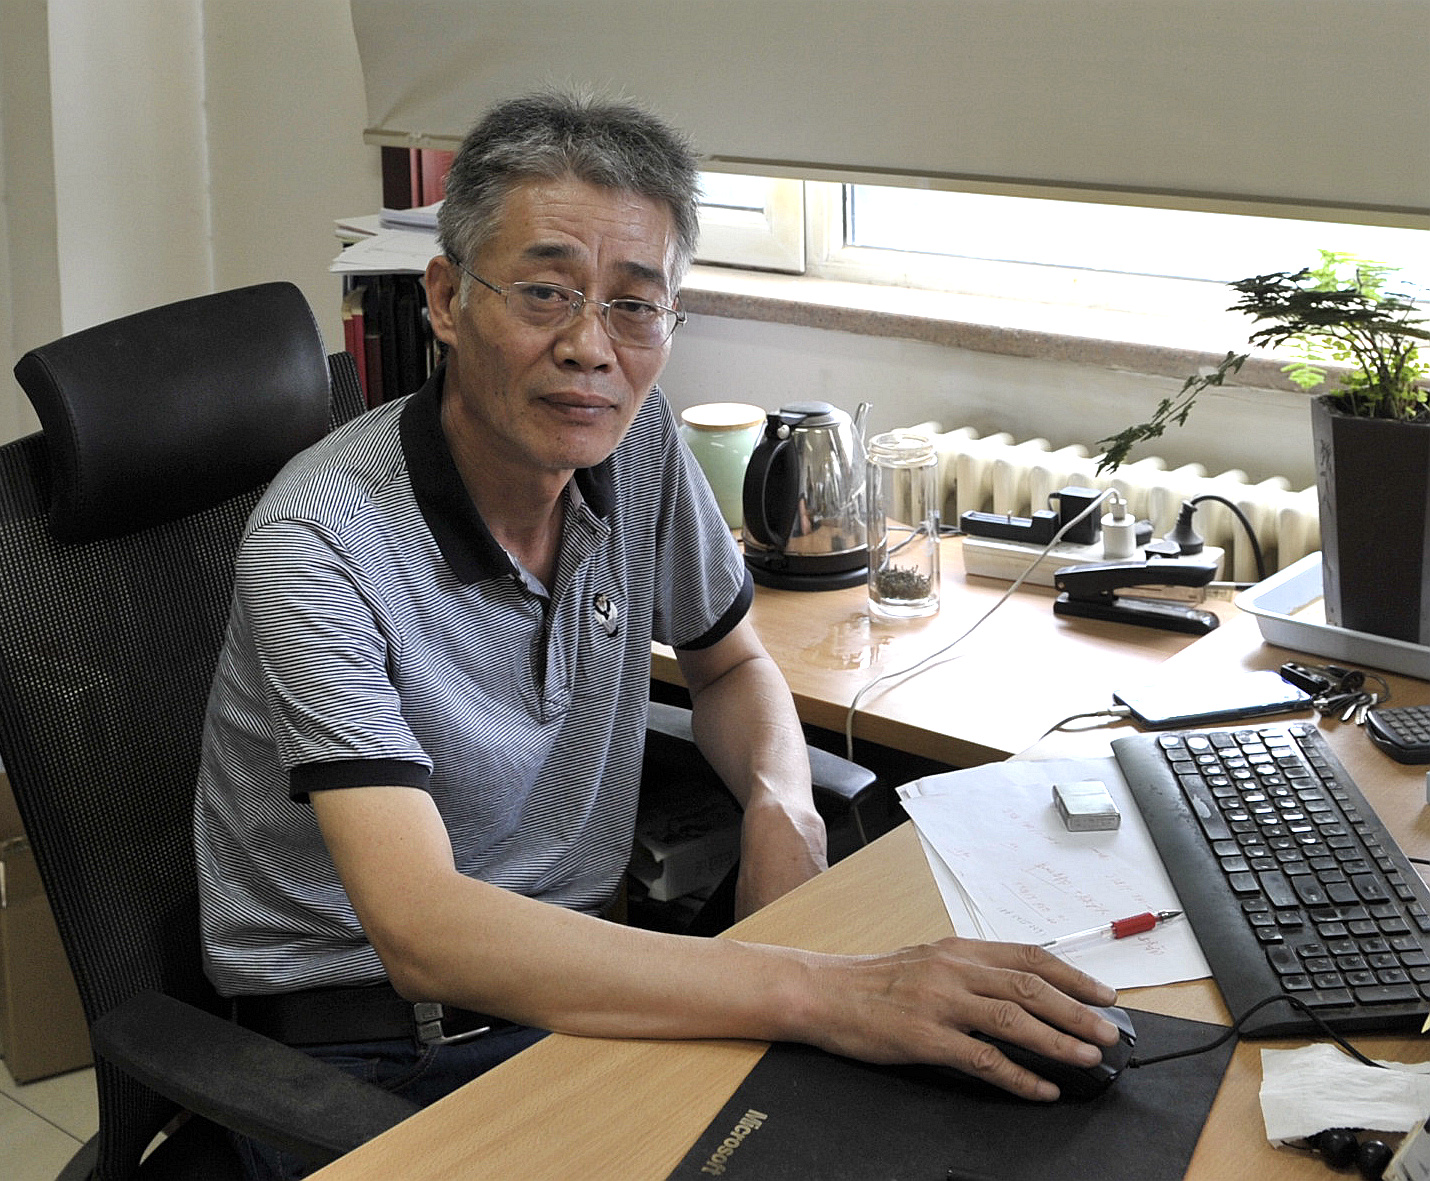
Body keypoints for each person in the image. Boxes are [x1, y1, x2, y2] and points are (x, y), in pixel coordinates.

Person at [194, 89, 1120, 1177]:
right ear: (444, 298)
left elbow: (730, 665)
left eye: (635, 305)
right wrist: (819, 989)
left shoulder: (629, 449)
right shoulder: (318, 542)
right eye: (545, 292)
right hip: (376, 1053)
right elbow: (424, 930)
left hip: (589, 995)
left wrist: (780, 801)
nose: (590, 348)